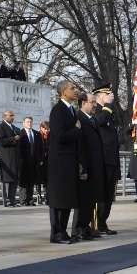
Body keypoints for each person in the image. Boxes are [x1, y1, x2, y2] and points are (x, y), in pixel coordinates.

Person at [47, 80, 81, 244]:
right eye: (72, 88)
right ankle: (56, 233)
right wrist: (76, 129)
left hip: (70, 161)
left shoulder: (72, 110)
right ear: (63, 92)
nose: (75, 91)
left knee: (67, 198)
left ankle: (64, 231)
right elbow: (59, 136)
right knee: (58, 198)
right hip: (60, 162)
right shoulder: (58, 110)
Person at [71, 92, 105, 241]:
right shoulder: (78, 118)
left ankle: (86, 228)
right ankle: (78, 229)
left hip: (95, 166)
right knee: (83, 200)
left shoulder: (92, 119)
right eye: (92, 102)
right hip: (85, 165)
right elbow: (78, 145)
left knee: (91, 199)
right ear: (83, 103)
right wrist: (81, 166)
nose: (95, 105)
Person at [93, 84, 120, 235]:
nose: (111, 96)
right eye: (108, 94)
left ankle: (103, 223)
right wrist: (108, 106)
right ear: (101, 96)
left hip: (111, 160)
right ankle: (96, 224)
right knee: (100, 195)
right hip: (102, 161)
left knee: (109, 195)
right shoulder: (97, 110)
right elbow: (99, 122)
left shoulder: (109, 112)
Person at [0, 110, 20, 207]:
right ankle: (6, 201)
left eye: (13, 115)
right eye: (11, 115)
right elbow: (1, 142)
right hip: (6, 158)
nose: (13, 117)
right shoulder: (0, 127)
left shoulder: (14, 128)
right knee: (6, 180)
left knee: (14, 180)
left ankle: (13, 200)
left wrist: (17, 138)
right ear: (4, 117)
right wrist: (14, 139)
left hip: (15, 158)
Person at [18, 116, 44, 206]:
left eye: (31, 122)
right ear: (23, 123)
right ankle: (23, 200)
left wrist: (40, 159)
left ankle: (30, 200)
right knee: (23, 182)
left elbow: (41, 148)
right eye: (27, 122)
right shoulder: (20, 133)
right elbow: (18, 149)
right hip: (24, 162)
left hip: (34, 162)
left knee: (31, 181)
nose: (29, 123)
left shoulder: (37, 134)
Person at [36, 121, 49, 205]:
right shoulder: (37, 135)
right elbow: (36, 149)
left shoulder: (49, 136)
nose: (46, 130)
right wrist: (39, 159)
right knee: (38, 180)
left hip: (47, 161)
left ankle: (46, 197)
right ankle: (39, 196)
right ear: (41, 128)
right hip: (39, 162)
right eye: (45, 128)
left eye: (47, 128)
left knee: (46, 180)